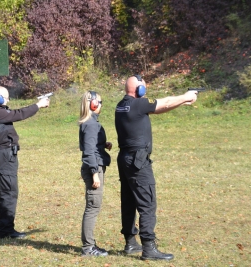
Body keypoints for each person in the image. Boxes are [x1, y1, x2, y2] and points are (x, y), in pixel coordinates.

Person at [115, 75, 198, 261]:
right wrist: (185, 96)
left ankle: (130, 243)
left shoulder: (121, 105)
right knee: (147, 203)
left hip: (125, 159)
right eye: (144, 88)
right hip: (138, 160)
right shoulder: (138, 104)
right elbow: (164, 102)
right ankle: (149, 248)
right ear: (139, 90)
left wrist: (181, 102)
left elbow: (162, 107)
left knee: (129, 201)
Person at [0, 86, 49, 239]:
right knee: (8, 192)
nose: (8, 101)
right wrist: (39, 105)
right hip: (5, 155)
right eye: (6, 98)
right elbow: (19, 114)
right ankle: (6, 230)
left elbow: (13, 113)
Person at [78, 91, 112, 257]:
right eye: (100, 101)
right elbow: (88, 152)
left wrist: (103, 144)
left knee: (93, 206)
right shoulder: (91, 124)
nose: (101, 104)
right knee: (92, 207)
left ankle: (89, 245)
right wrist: (94, 174)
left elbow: (91, 145)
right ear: (92, 104)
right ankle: (88, 248)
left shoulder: (91, 122)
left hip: (95, 165)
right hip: (94, 168)